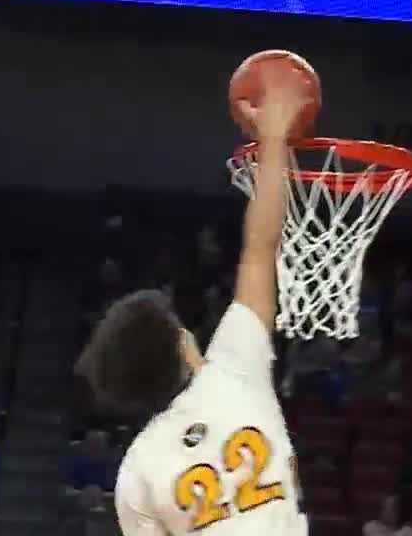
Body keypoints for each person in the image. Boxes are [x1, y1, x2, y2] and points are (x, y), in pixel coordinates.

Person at [78, 64, 308, 536]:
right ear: (183, 342)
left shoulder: (137, 471)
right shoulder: (234, 371)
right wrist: (275, 137)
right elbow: (261, 249)